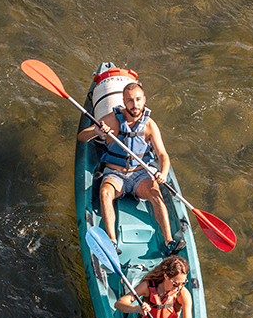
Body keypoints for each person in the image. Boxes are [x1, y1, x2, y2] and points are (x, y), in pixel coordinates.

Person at [77, 81, 185, 256]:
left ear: (144, 100)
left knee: (156, 194)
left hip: (140, 175)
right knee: (105, 193)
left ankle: (169, 242)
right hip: (115, 174)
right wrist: (96, 131)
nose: (134, 105)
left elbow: (163, 155)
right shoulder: (111, 120)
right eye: (129, 101)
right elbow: (82, 138)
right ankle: (112, 242)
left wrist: (163, 173)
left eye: (138, 99)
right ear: (123, 101)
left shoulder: (150, 125)